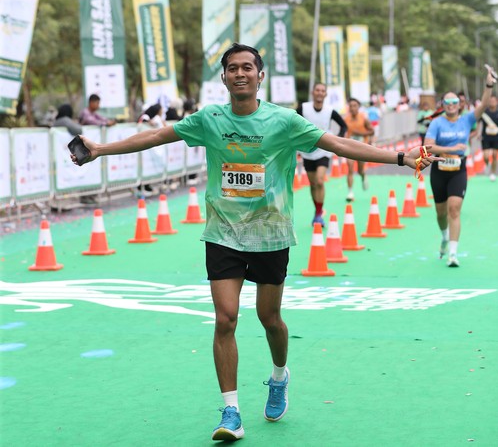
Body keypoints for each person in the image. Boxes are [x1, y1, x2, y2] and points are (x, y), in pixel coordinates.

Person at [72, 43, 436, 442]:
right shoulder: (210, 119)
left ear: (260, 76)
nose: (240, 73)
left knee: (270, 319)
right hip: (223, 233)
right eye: (233, 68)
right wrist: (100, 149)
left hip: (270, 233)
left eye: (248, 67)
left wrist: (399, 158)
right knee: (225, 318)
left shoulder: (284, 120)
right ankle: (231, 411)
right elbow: (158, 135)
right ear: (224, 77)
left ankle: (279, 375)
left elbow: (338, 145)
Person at [424, 66, 497, 267]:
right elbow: (427, 147)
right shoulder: (437, 123)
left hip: (459, 170)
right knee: (441, 213)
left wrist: (489, 84)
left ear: (460, 104)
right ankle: (444, 236)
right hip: (439, 169)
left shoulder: (467, 120)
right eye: (447, 102)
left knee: (454, 209)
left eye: (454, 102)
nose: (451, 105)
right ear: (442, 105)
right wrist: (451, 148)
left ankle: (453, 254)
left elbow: (484, 104)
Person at [297, 82, 347, 226]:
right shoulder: (303, 108)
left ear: (325, 94)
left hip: (324, 150)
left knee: (319, 181)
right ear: (313, 92)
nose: (319, 93)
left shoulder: (330, 111)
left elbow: (343, 126)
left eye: (322, 91)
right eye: (317, 90)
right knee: (313, 184)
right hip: (307, 151)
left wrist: (337, 140)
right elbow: (291, 122)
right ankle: (317, 211)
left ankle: (319, 214)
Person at [343, 98, 374, 202]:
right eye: (350, 106)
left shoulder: (364, 118)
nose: (352, 108)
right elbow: (343, 132)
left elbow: (372, 131)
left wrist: (359, 134)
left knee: (360, 170)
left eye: (355, 105)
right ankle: (350, 192)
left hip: (361, 148)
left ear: (358, 107)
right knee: (350, 168)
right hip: (350, 148)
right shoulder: (346, 119)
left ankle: (363, 176)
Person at [479, 94, 498, 181]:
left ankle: (493, 173)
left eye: (494, 101)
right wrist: (478, 133)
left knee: (495, 155)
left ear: (497, 102)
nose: (492, 102)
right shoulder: (484, 113)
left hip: (496, 137)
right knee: (486, 156)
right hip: (486, 137)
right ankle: (488, 165)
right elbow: (479, 123)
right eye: (490, 101)